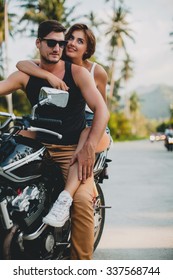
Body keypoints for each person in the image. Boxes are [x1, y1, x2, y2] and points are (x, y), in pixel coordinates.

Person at [0, 20, 109, 260]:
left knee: (80, 200)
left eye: (61, 43)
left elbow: (102, 110)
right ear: (38, 43)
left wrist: (89, 145)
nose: (58, 48)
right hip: (35, 146)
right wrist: (45, 76)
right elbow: (4, 85)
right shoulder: (27, 74)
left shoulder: (78, 73)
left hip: (71, 149)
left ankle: (81, 266)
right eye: (51, 43)